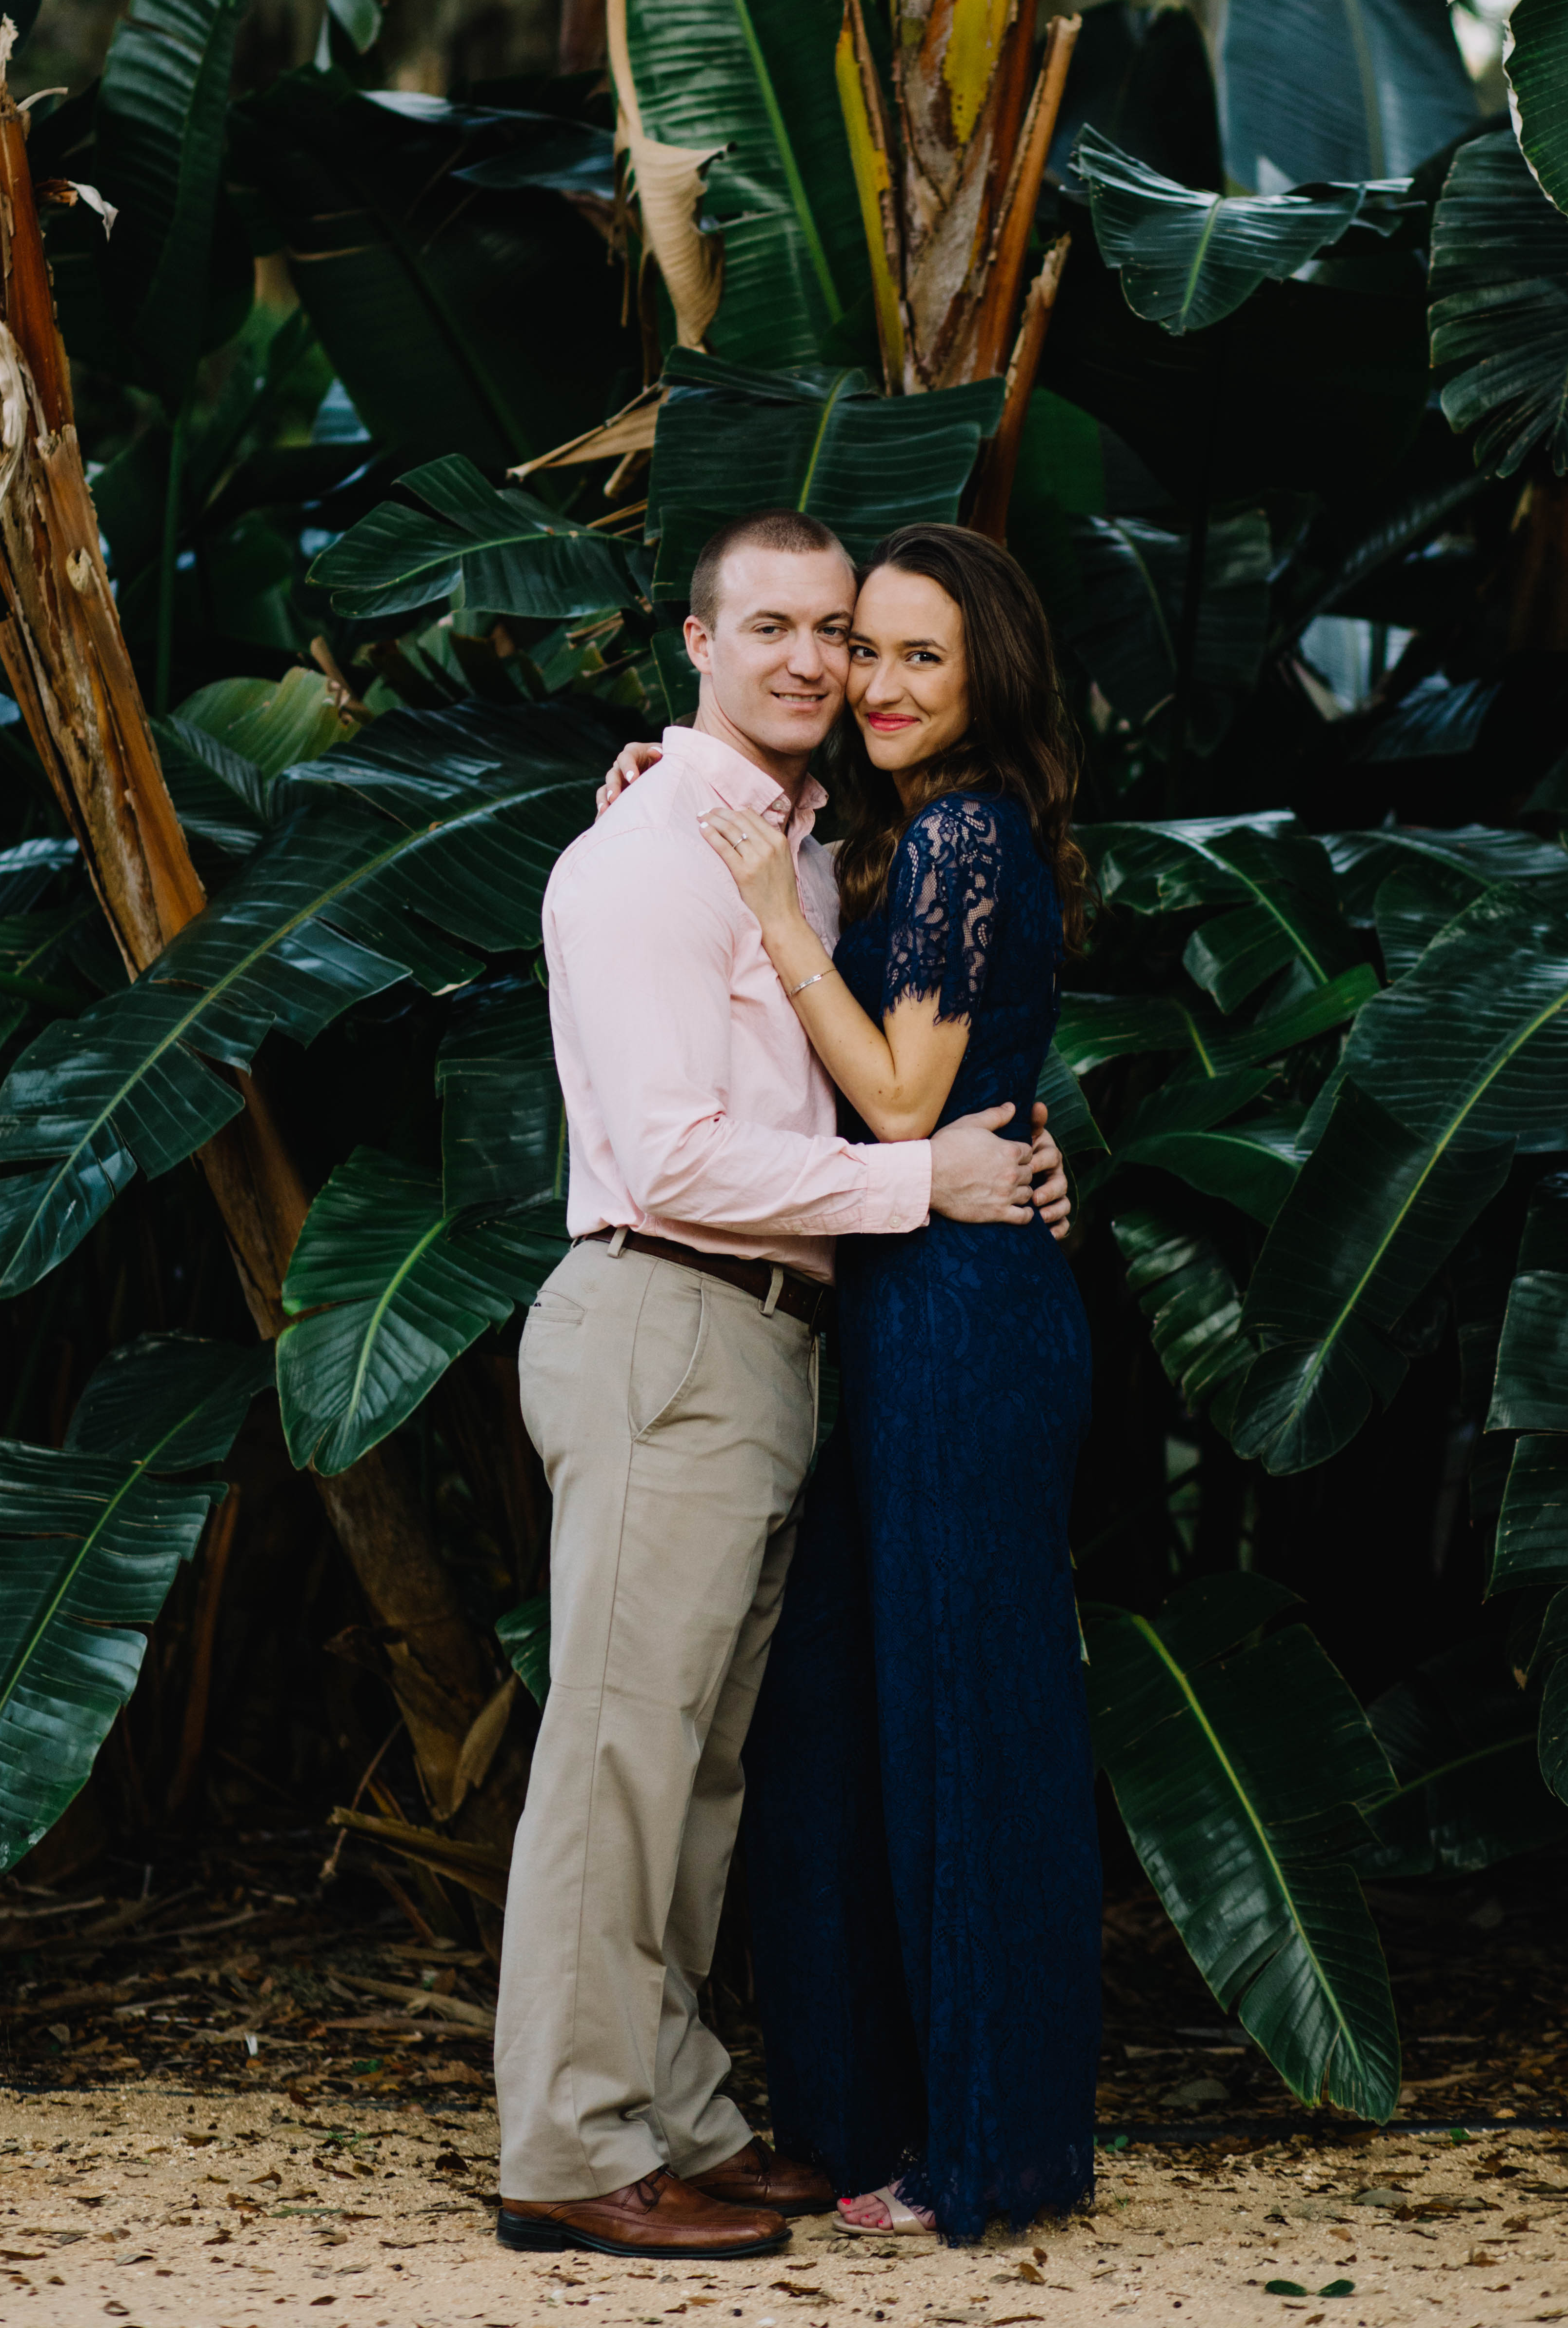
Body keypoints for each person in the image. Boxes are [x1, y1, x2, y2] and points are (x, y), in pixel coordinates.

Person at [493, 510, 1075, 2268]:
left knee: (702, 1772)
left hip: (776, 1342)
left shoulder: (818, 849)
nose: (819, 661)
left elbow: (904, 1065)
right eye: (778, 628)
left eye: (850, 631)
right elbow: (674, 1153)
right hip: (667, 1316)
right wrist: (928, 1183)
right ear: (696, 643)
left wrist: (1020, 1156)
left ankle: (671, 2112)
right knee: (615, 1757)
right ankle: (569, 2144)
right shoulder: (655, 858)